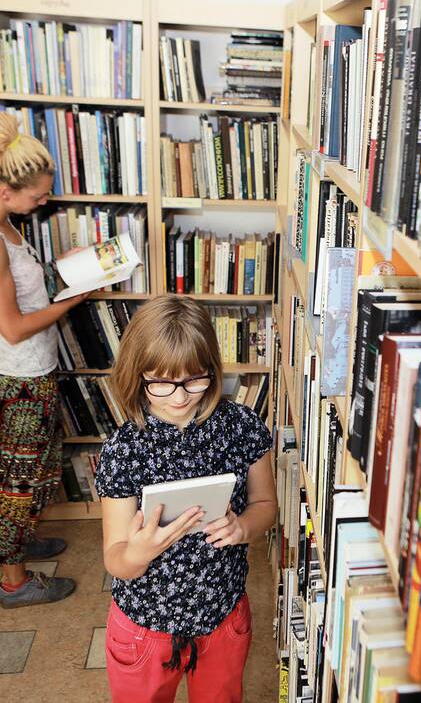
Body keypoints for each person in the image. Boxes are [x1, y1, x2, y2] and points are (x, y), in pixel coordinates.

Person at [96, 295, 277, 703]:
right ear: (136, 374)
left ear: (212, 370)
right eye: (160, 382)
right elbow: (116, 559)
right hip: (145, 626)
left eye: (195, 379)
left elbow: (266, 506)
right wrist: (139, 552)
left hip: (222, 616)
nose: (179, 397)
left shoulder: (241, 426)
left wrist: (242, 526)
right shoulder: (123, 450)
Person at [0, 111, 90, 608]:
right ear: (6, 191)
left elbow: (22, 291)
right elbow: (11, 327)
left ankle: (23, 537)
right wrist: (73, 299)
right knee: (17, 479)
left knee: (37, 466)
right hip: (19, 378)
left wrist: (67, 270)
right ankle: (14, 581)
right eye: (37, 196)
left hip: (34, 370)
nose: (45, 202)